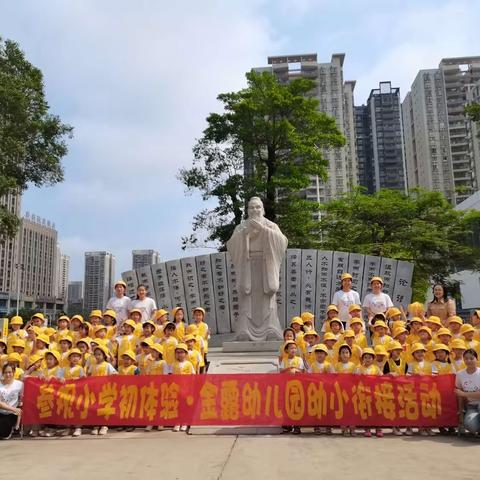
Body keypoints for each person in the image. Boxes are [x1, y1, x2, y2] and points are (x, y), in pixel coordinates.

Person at [226, 196, 288, 341]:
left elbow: (282, 242)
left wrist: (263, 230)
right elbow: (231, 245)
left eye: (258, 207)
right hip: (247, 266)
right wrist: (245, 234)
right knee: (247, 301)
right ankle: (244, 331)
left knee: (268, 302)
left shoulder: (271, 226)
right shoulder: (241, 227)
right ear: (247, 210)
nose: (255, 210)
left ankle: (271, 329)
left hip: (266, 266)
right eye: (252, 207)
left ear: (263, 209)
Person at [455, 349, 480, 434]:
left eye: (471, 358)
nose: (468, 361)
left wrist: (464, 393)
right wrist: (461, 414)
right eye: (466, 358)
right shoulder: (460, 375)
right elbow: (459, 395)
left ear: (477, 359)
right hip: (471, 406)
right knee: (470, 426)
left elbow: (461, 393)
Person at [0, 364, 22, 440]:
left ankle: (11, 429)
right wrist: (14, 409)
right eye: (5, 372)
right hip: (2, 411)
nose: (8, 374)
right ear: (2, 373)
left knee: (3, 432)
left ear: (14, 372)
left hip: (11, 414)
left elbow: (22, 399)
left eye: (10, 372)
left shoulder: (19, 384)